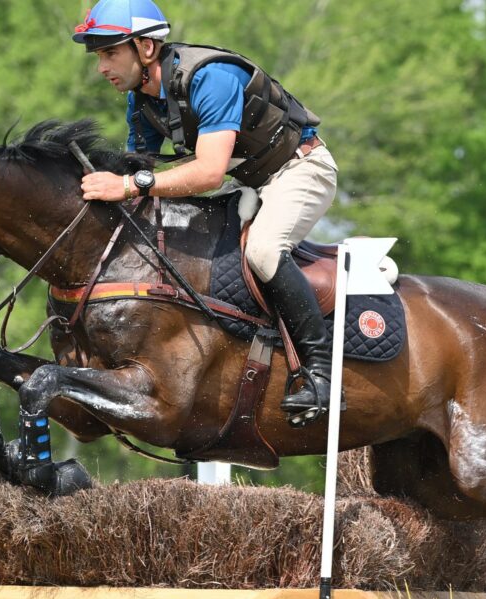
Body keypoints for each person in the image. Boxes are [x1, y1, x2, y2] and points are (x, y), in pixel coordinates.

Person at [71, 0, 340, 423]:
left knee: (263, 252)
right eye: (98, 56)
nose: (102, 67)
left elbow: (209, 172)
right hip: (249, 182)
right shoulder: (141, 100)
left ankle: (320, 374)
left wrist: (126, 185)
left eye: (109, 53)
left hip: (299, 170)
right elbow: (137, 171)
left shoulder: (210, 77)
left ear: (145, 48)